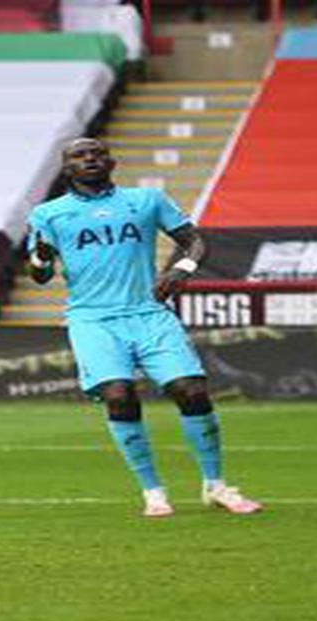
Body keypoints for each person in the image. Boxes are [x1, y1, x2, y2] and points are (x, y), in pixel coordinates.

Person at [27, 137, 262, 517]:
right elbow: (39, 275)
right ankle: (153, 492)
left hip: (149, 313)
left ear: (111, 161)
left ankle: (215, 485)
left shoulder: (146, 200)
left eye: (97, 153)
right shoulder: (48, 214)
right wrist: (39, 257)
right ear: (66, 167)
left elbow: (195, 241)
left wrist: (182, 269)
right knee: (119, 395)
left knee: (191, 390)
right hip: (93, 320)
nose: (89, 159)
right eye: (79, 155)